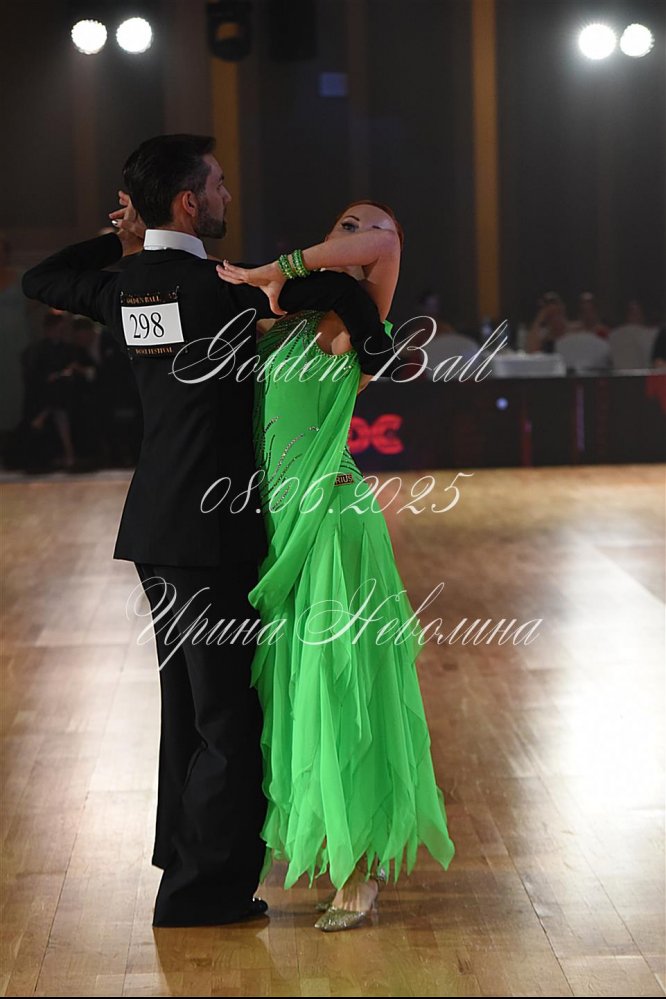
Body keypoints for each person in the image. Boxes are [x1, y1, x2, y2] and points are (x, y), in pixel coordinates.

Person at [20, 134, 399, 928]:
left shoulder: (128, 288)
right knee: (227, 718)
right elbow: (350, 290)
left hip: (154, 528)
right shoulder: (225, 287)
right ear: (190, 201)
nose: (227, 193)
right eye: (218, 184)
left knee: (187, 710)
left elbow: (41, 278)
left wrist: (122, 238)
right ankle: (203, 892)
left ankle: (182, 861)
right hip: (213, 532)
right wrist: (293, 283)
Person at [215, 200, 456, 932]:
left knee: (340, 689)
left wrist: (275, 266)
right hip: (279, 528)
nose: (357, 233)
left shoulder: (353, 324)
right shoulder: (282, 322)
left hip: (331, 526)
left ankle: (357, 870)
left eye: (366, 226)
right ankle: (341, 853)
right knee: (301, 693)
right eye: (343, 223)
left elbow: (383, 244)